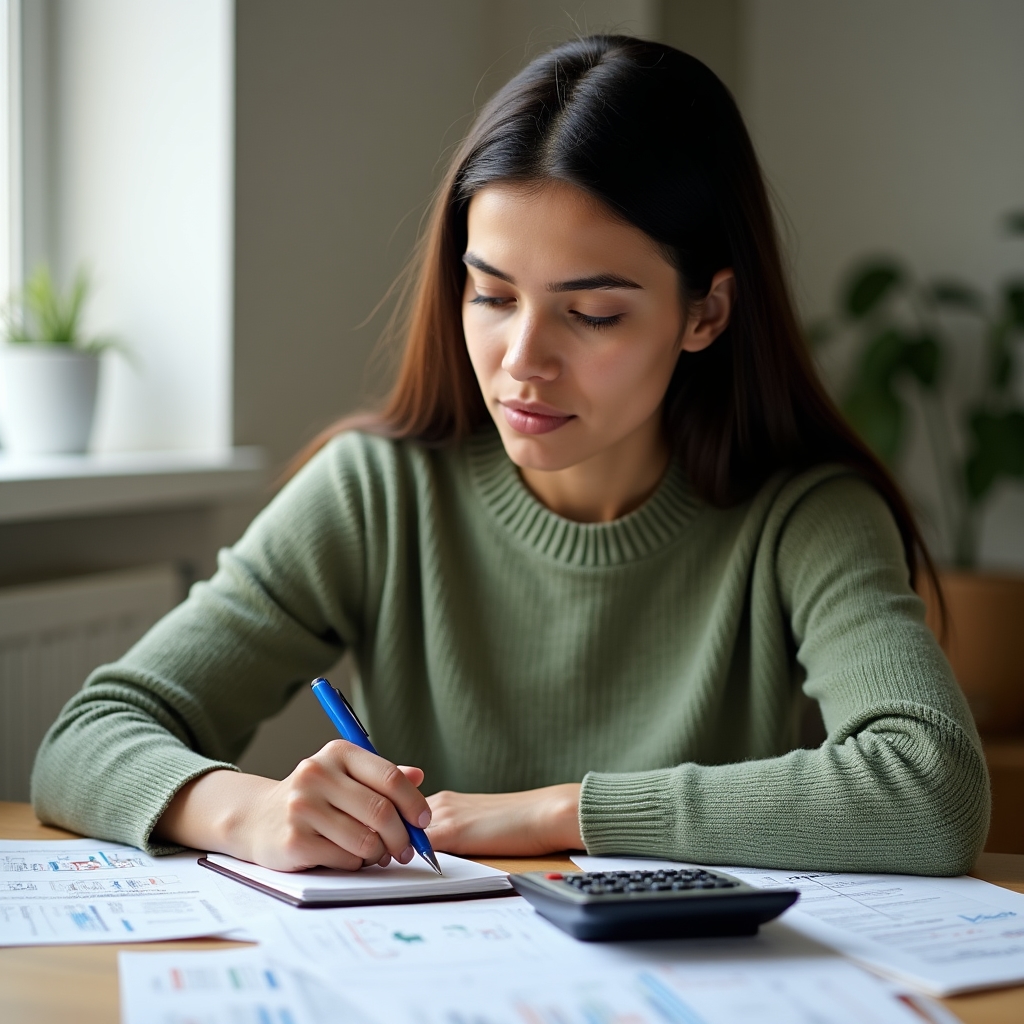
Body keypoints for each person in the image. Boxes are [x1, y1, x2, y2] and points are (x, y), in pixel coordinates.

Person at [33, 36, 988, 876]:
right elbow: (85, 741)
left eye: (593, 313)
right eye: (491, 295)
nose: (522, 362)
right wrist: (251, 812)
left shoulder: (803, 515)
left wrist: (554, 811)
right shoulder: (379, 493)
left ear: (706, 312)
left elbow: (930, 787)